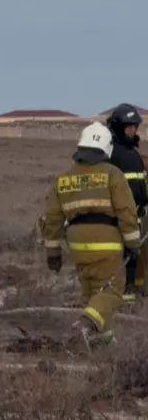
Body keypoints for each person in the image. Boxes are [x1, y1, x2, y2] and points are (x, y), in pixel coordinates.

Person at [43, 121, 140, 351]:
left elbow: (53, 219)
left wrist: (53, 254)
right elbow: (126, 212)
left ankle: (98, 340)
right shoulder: (112, 174)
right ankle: (85, 325)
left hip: (76, 244)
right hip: (106, 240)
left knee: (92, 292)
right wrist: (133, 243)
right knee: (112, 290)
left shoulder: (63, 178)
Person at [104, 104, 148, 302]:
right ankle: (117, 299)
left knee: (134, 258)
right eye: (127, 126)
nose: (132, 130)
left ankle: (131, 297)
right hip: (117, 217)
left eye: (134, 126)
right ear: (117, 127)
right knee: (121, 259)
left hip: (135, 216)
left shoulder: (134, 154)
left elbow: (140, 183)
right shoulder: (112, 153)